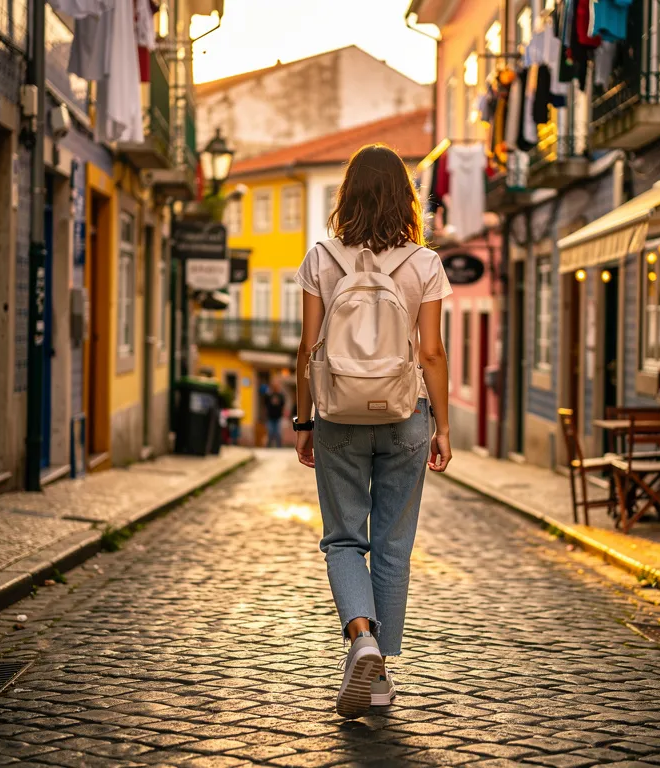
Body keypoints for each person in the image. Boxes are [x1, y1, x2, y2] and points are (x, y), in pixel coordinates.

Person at [293, 144, 453, 718]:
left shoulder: (322, 258)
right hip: (406, 413)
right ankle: (380, 666)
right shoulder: (425, 264)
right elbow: (431, 352)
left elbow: (308, 349)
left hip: (337, 412)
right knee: (392, 544)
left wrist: (303, 419)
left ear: (347, 196)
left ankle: (361, 640)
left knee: (342, 539)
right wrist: (442, 425)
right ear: (406, 199)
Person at [264, 384, 286, 448]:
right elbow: (265, 403)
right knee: (270, 432)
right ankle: (269, 446)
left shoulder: (280, 395)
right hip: (270, 417)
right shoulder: (269, 395)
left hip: (278, 417)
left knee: (278, 433)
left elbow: (283, 405)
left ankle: (279, 446)